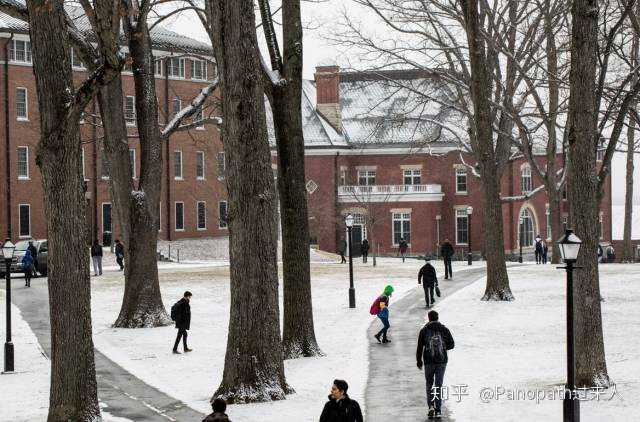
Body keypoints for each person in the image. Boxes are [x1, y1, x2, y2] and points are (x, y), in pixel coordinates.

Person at [416, 310, 455, 419]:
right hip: (442, 362)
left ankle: (431, 407)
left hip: (428, 361)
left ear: (429, 318)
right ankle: (438, 410)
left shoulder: (424, 330)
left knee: (429, 384)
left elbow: (420, 347)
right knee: (438, 385)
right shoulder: (444, 329)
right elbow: (452, 344)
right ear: (437, 318)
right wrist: (442, 347)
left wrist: (419, 361)